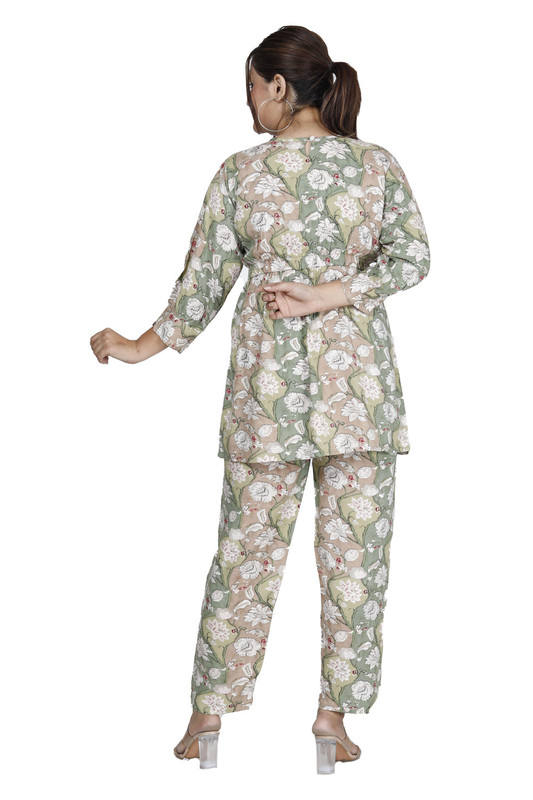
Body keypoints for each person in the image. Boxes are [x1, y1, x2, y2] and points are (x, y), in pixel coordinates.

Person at [90, 25, 430, 773]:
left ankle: (207, 715)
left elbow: (203, 282)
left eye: (251, 86)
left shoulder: (242, 174)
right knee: (356, 563)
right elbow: (413, 257)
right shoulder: (375, 166)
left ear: (279, 87)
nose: (247, 101)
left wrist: (143, 344)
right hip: (360, 397)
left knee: (244, 555)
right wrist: (342, 291)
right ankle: (332, 719)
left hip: (265, 396)